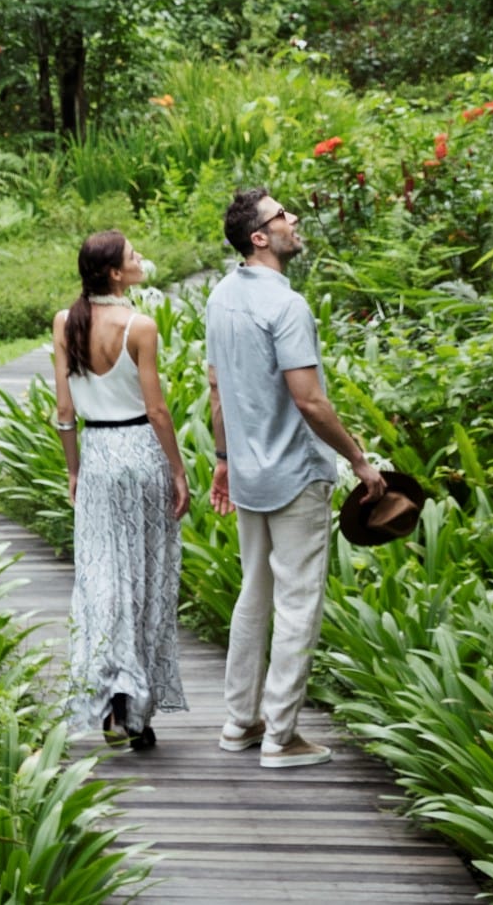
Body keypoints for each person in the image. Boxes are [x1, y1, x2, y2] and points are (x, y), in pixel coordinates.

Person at [204, 188, 388, 769]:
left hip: (251, 475)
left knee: (253, 594)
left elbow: (216, 389)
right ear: (260, 237)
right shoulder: (288, 307)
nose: (293, 220)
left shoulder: (221, 297)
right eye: (282, 215)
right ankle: (281, 736)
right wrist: (359, 460)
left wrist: (224, 459)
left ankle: (241, 722)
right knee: (299, 602)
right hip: (294, 475)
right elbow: (309, 402)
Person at [53, 230, 188, 750]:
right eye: (132, 256)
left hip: (100, 458)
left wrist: (73, 469)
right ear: (114, 273)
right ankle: (136, 709)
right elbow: (157, 410)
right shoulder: (140, 325)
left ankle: (109, 693)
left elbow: (65, 412)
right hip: (141, 454)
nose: (140, 260)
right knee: (146, 575)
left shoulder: (67, 322)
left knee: (102, 579)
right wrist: (177, 470)